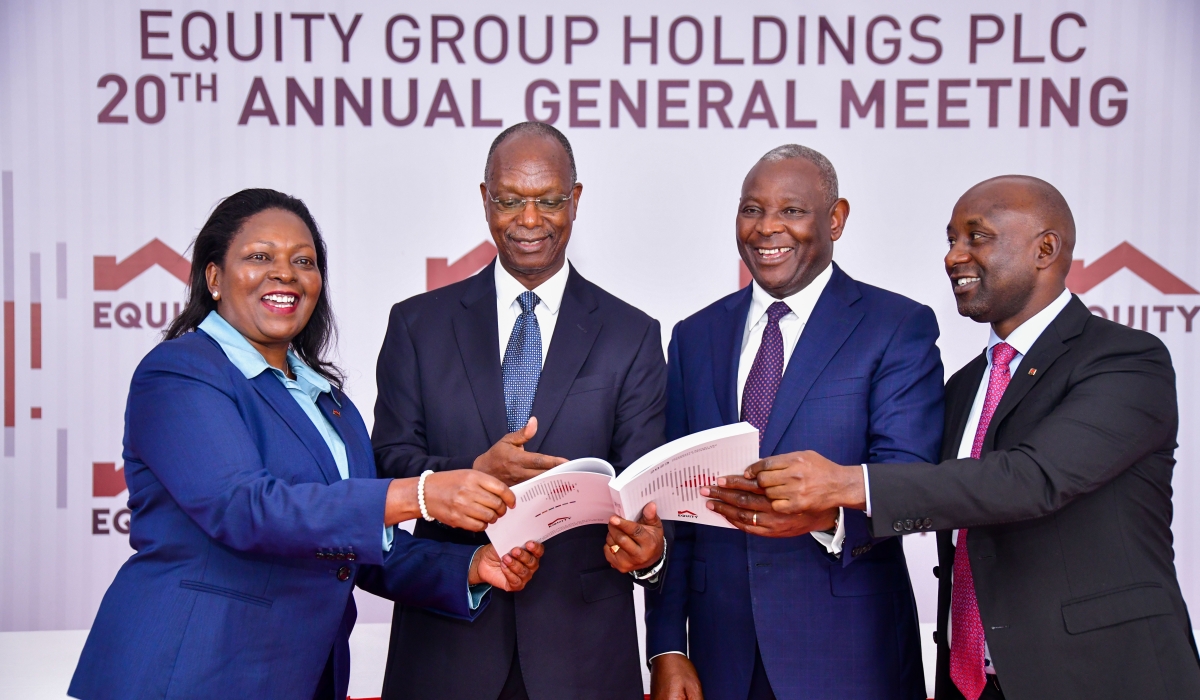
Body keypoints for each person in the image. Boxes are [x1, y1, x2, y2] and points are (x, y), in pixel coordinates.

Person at [68, 189, 545, 700]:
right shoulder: (180, 372)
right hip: (190, 673)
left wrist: (470, 568)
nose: (285, 274)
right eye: (259, 257)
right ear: (214, 278)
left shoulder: (329, 403)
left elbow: (355, 545)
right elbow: (245, 508)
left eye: (303, 261)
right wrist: (420, 494)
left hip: (303, 677)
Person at [747, 175, 1200, 699]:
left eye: (977, 237)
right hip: (972, 684)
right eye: (951, 239)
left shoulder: (1125, 360)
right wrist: (828, 518)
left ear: (1045, 249)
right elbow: (941, 495)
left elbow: (1031, 479)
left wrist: (847, 483)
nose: (954, 256)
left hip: (1102, 677)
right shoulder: (965, 386)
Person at [372, 122, 668, 700]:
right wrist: (473, 472)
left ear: (575, 200)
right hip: (445, 645)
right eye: (510, 200)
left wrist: (649, 552)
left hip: (582, 657)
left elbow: (644, 489)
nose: (529, 220)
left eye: (549, 201)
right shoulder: (417, 325)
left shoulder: (630, 335)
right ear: (485, 200)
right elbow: (388, 463)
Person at [645, 145, 943, 700]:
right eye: (752, 210)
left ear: (836, 219)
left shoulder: (896, 326)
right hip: (720, 657)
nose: (766, 228)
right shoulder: (694, 336)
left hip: (849, 656)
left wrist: (826, 518)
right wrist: (667, 646)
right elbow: (673, 505)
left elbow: (911, 483)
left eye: (792, 211)